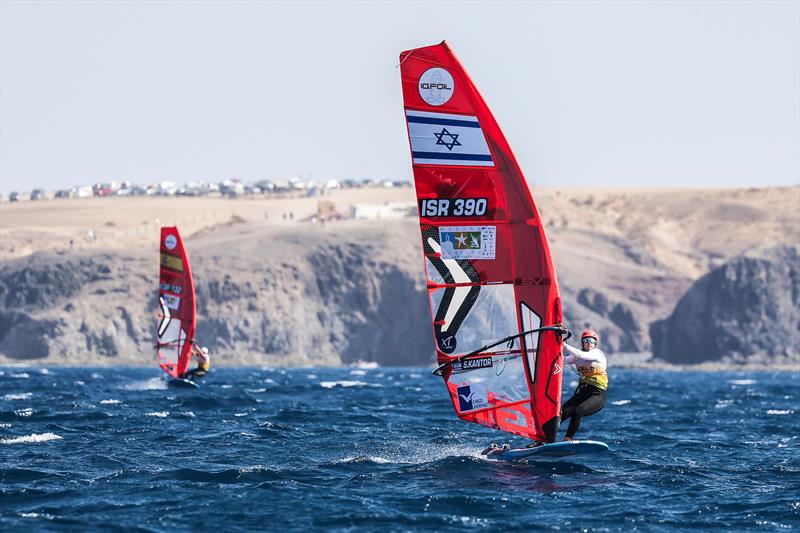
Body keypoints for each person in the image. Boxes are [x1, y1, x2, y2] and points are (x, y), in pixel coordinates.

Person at [560, 329, 608, 441]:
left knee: (578, 411)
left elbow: (579, 354)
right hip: (583, 393)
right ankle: (544, 438)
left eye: (592, 341)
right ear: (582, 342)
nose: (589, 343)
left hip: (597, 394)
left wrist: (562, 343)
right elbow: (561, 359)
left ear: (595, 344)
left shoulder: (597, 354)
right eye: (586, 340)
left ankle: (567, 439)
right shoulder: (577, 357)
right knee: (562, 413)